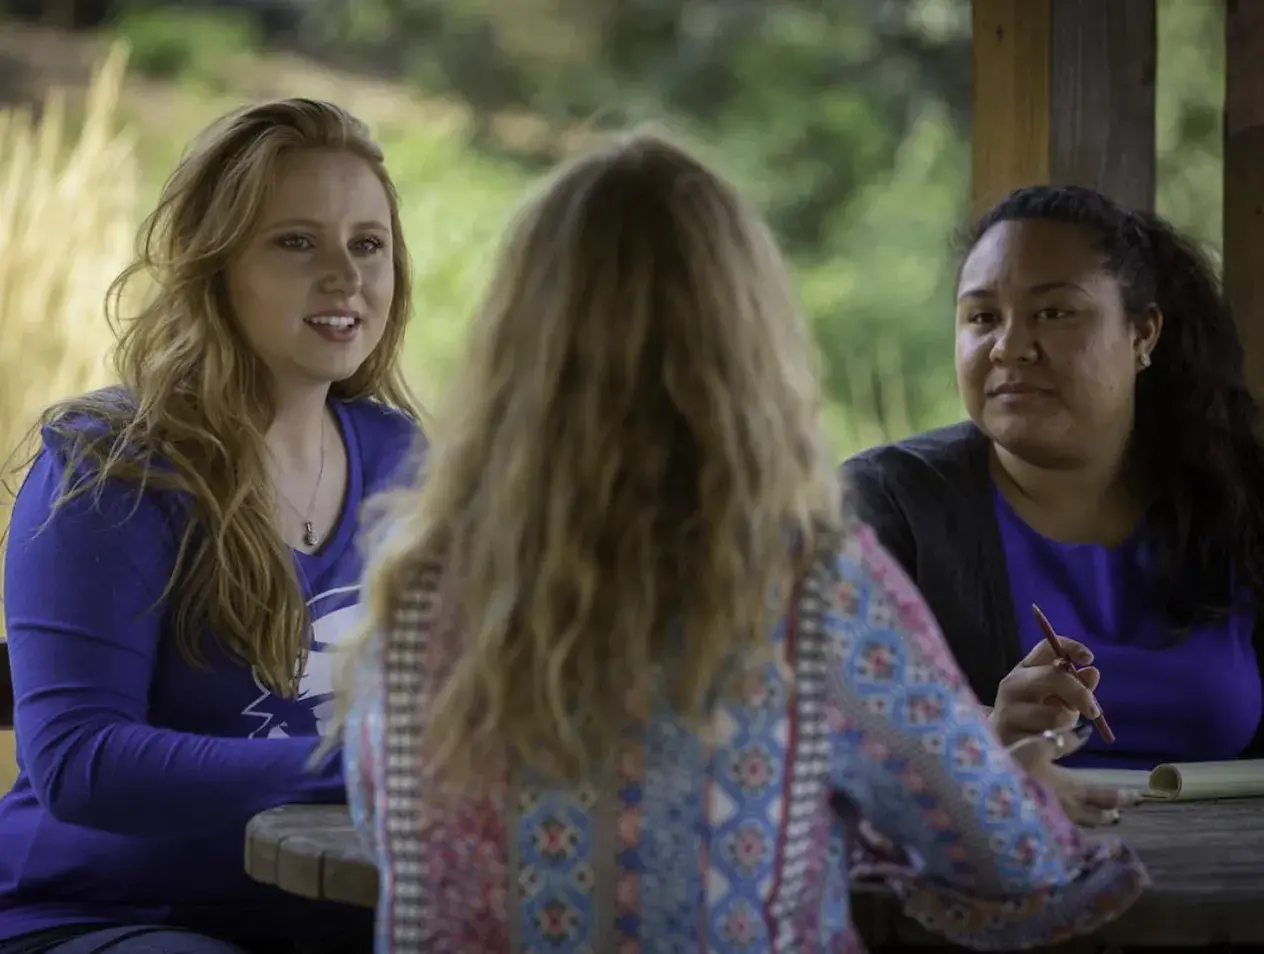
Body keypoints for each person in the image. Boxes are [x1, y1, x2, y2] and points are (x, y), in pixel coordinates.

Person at [336, 135, 1146, 954]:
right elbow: (1015, 861)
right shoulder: (806, 586)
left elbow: (406, 840)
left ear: (513, 342)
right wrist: (1005, 789)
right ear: (749, 343)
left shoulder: (413, 584)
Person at [0, 99, 423, 954]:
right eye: (296, 242)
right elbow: (81, 759)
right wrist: (367, 764)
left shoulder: (402, 461)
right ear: (214, 265)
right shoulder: (112, 466)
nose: (344, 276)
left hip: (327, 917)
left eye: (367, 245)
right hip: (99, 913)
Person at [845, 185, 1264, 816]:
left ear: (1143, 333)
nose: (1009, 346)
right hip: (1001, 868)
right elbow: (823, 723)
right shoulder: (887, 505)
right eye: (982, 317)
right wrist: (983, 738)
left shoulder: (1238, 498)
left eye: (1053, 313)